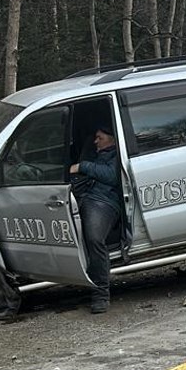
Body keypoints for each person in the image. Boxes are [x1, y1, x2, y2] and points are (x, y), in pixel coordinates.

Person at [70, 125, 123, 313]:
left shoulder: (117, 153)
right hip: (81, 197)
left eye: (100, 138)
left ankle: (101, 294)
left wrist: (83, 166)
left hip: (104, 200)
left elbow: (111, 176)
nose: (95, 141)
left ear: (113, 139)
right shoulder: (93, 152)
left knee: (94, 238)